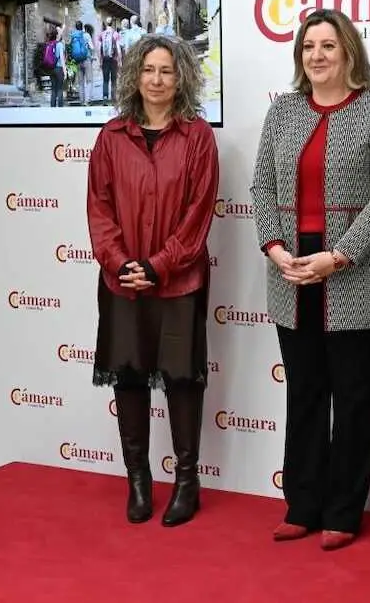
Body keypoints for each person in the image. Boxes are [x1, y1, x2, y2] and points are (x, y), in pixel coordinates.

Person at [249, 8, 370, 551]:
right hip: (291, 271)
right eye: (308, 47)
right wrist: (274, 248)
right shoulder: (283, 111)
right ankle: (303, 503)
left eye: (328, 46)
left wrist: (339, 256)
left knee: (356, 397)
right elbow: (262, 186)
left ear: (349, 54)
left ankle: (343, 511)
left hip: (353, 273)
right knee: (306, 394)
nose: (317, 55)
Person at [86, 34, 219, 528]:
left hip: (178, 282)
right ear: (133, 77)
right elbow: (99, 209)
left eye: (166, 70)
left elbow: (197, 213)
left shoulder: (198, 137)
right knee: (130, 373)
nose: (157, 80)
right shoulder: (110, 137)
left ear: (180, 76)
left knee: (183, 379)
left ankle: (187, 483)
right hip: (122, 283)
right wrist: (121, 263)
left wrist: (160, 265)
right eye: (148, 70)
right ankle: (138, 482)